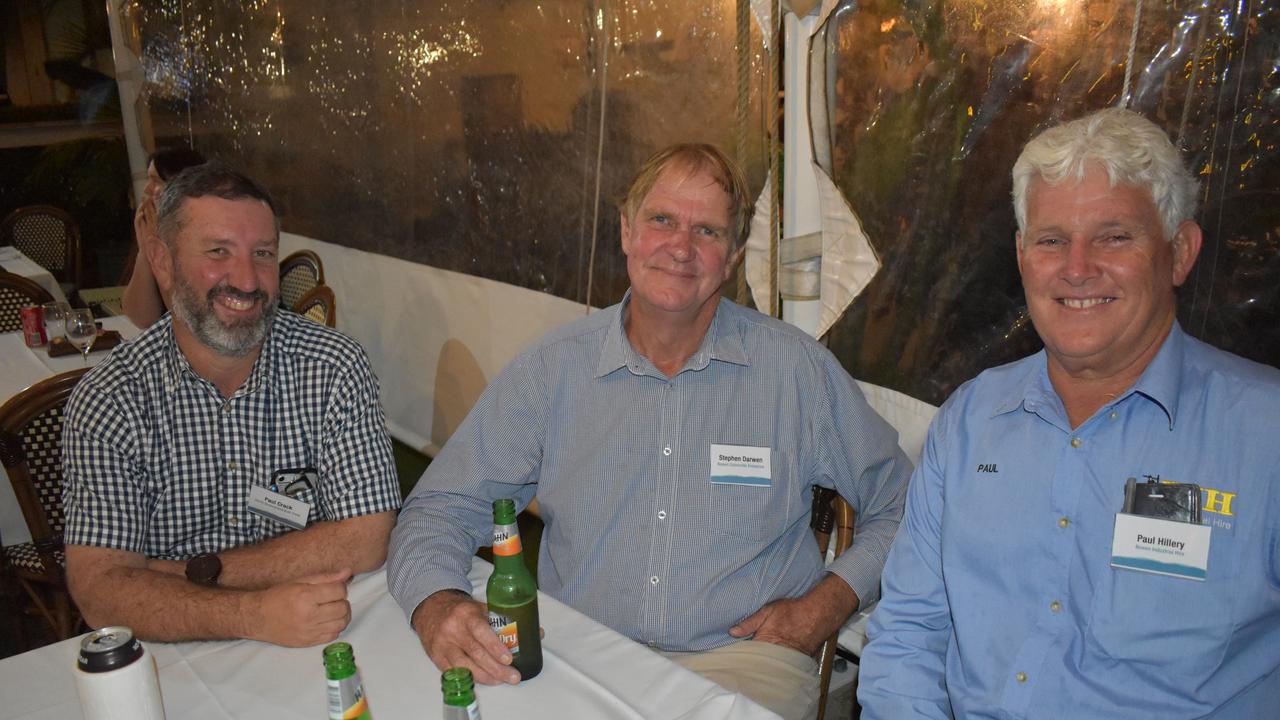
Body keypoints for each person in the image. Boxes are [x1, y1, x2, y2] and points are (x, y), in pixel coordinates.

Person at [387, 144, 912, 719]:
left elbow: (907, 504)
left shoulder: (796, 373)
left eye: (707, 231)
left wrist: (826, 605)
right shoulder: (554, 370)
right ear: (626, 231)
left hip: (740, 664)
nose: (681, 247)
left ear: (733, 256)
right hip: (582, 651)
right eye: (662, 219)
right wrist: (436, 603)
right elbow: (440, 506)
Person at [858, 108, 1280, 718]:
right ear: (1023, 255)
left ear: (1180, 252)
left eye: (1114, 236)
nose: (1077, 268)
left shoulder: (1263, 436)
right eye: (1052, 240)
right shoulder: (971, 422)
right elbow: (910, 634)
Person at [62, 163, 402, 647]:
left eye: (262, 254)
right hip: (172, 655)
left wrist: (189, 573)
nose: (246, 280)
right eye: (219, 252)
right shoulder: (111, 399)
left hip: (317, 629)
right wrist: (253, 613)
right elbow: (101, 591)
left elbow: (367, 535)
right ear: (162, 260)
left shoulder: (333, 366)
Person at [122, 147, 207, 328]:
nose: (146, 190)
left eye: (155, 181)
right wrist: (146, 251)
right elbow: (140, 317)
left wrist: (156, 246)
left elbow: (185, 317)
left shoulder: (201, 240)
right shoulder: (156, 231)